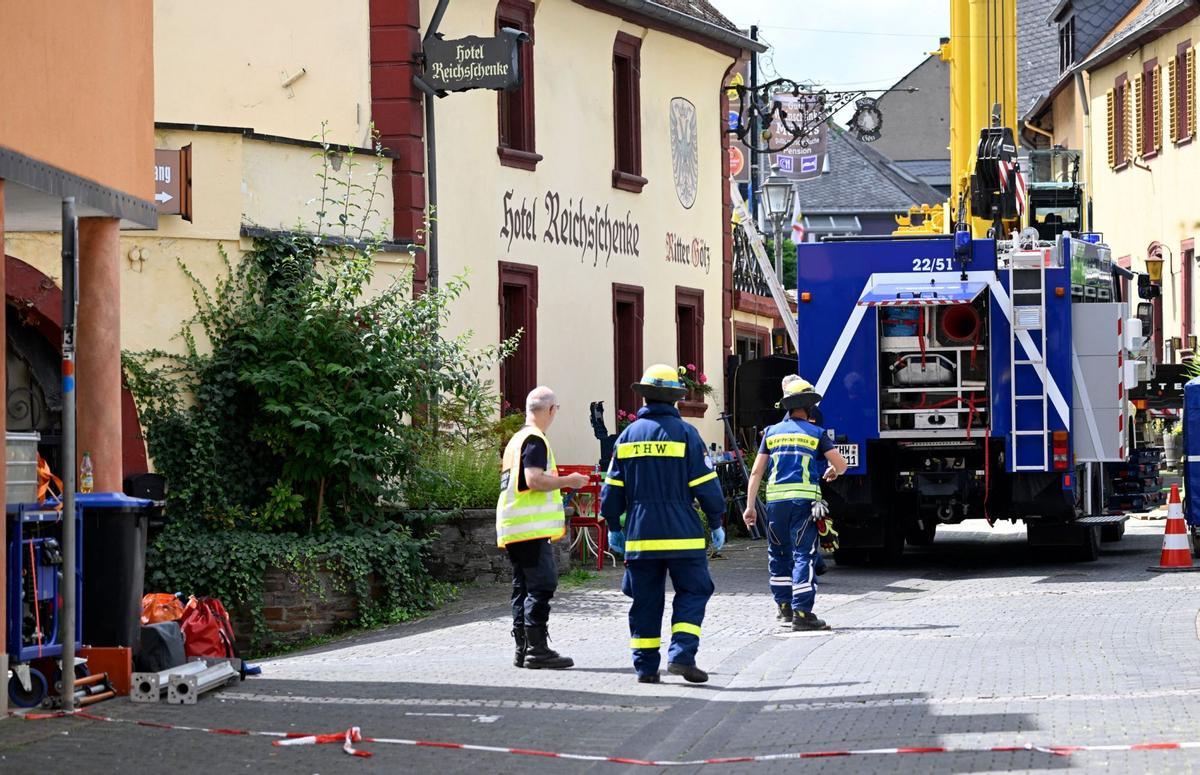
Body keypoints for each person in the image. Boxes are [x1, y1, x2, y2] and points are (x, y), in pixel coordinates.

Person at [601, 364, 726, 684]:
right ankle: (682, 654)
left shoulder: (627, 437)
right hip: (682, 534)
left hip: (642, 535)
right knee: (695, 590)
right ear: (674, 399)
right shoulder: (687, 434)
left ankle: (644, 667)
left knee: (644, 599)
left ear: (645, 397)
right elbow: (707, 485)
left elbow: (612, 490)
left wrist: (614, 526)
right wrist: (715, 522)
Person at [496, 386, 589, 669]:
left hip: (514, 526)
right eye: (556, 409)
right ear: (550, 410)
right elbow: (534, 479)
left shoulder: (516, 440)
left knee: (522, 587)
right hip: (530, 528)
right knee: (542, 584)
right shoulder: (535, 440)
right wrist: (568, 481)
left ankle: (522, 649)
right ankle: (537, 649)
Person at [743, 378, 847, 630]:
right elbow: (842, 464)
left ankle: (784, 609)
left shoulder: (771, 433)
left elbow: (756, 473)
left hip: (776, 502)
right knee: (803, 555)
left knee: (777, 553)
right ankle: (802, 613)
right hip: (803, 503)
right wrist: (833, 470)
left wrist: (750, 507)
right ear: (809, 407)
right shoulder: (816, 434)